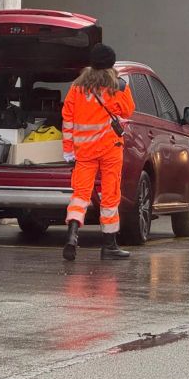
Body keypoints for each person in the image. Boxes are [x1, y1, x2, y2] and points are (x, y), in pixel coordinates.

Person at [61, 43, 136, 261]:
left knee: (80, 195)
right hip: (110, 149)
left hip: (84, 151)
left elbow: (67, 119)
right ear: (111, 64)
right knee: (110, 195)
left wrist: (68, 150)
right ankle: (109, 245)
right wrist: (123, 87)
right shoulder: (118, 85)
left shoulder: (76, 88)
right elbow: (128, 110)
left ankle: (72, 237)